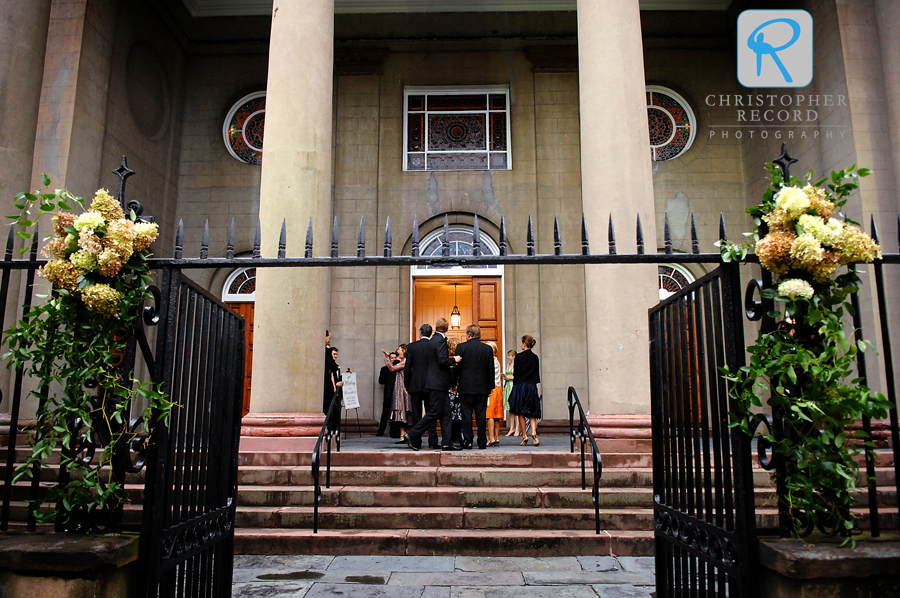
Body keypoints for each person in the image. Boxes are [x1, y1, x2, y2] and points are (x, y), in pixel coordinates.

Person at [403, 318, 461, 451]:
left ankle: (447, 442)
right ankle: (411, 434)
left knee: (446, 413)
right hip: (438, 383)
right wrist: (454, 360)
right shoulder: (439, 341)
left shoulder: (431, 341)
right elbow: (442, 361)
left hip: (433, 382)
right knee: (435, 411)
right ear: (447, 329)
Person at [453, 325, 494, 450]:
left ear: (469, 334)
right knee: (481, 414)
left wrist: (453, 384)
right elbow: (490, 369)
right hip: (481, 387)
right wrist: (490, 386)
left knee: (466, 414)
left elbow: (456, 368)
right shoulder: (487, 349)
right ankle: (482, 441)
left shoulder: (461, 347)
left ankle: (468, 440)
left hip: (465, 386)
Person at [404, 324, 439, 448]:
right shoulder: (434, 346)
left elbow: (408, 367)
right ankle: (433, 441)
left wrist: (406, 384)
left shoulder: (413, 346)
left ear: (420, 333)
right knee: (431, 413)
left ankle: (416, 441)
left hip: (416, 383)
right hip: (431, 383)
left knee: (416, 413)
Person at [508, 335, 541, 446]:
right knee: (532, 411)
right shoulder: (535, 357)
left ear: (524, 343)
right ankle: (534, 432)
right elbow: (536, 374)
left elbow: (516, 373)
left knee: (520, 412)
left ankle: (524, 436)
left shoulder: (519, 357)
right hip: (531, 385)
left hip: (520, 385)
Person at [382, 345, 413, 437]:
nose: (398, 350)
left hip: (402, 386)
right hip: (399, 385)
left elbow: (392, 368)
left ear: (403, 351)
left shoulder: (405, 361)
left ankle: (404, 434)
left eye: (399, 349)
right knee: (400, 409)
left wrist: (387, 358)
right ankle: (403, 434)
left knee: (402, 407)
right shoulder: (403, 360)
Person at [483, 341, 504, 446]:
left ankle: (491, 437)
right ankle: (496, 436)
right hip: (498, 388)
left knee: (490, 415)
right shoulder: (497, 360)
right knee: (496, 415)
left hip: (491, 389)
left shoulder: (489, 361)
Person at [376, 352, 397, 436]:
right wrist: (389, 381)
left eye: (395, 357)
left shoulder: (398, 369)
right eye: (392, 358)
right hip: (388, 392)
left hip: (396, 392)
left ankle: (394, 432)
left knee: (396, 413)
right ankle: (381, 431)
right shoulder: (384, 369)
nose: (393, 359)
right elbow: (380, 380)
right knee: (385, 412)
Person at [325, 346, 345, 431]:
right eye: (334, 354)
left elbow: (337, 377)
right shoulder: (329, 366)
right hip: (331, 392)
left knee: (336, 411)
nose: (335, 356)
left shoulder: (336, 367)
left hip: (337, 392)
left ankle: (335, 429)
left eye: (336, 354)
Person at [503, 349, 517, 437]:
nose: (508, 357)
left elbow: (518, 377)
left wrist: (510, 377)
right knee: (510, 409)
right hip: (507, 386)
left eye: (510, 356)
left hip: (513, 385)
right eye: (508, 355)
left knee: (516, 409)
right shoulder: (508, 365)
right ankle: (512, 428)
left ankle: (517, 428)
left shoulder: (517, 365)